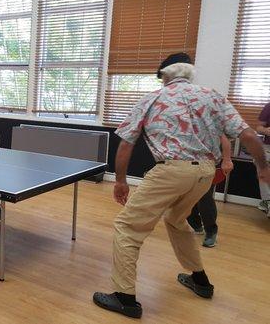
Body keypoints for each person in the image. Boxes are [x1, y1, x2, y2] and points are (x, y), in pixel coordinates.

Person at [92, 53, 270, 319]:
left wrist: (120, 181)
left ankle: (124, 297)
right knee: (176, 219)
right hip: (206, 172)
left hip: (172, 170)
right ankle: (200, 280)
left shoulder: (152, 98)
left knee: (127, 228)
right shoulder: (213, 96)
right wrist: (263, 167)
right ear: (189, 74)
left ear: (165, 76)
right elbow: (248, 136)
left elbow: (126, 143)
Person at [187, 135, 233, 247]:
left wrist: (227, 160)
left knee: (204, 196)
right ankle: (195, 223)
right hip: (189, 160)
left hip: (209, 161)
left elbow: (224, 139)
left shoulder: (212, 119)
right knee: (187, 195)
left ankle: (211, 231)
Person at [254, 102, 270, 217]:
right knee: (263, 169)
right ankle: (267, 201)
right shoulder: (269, 106)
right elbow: (259, 128)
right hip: (268, 148)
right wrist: (267, 131)